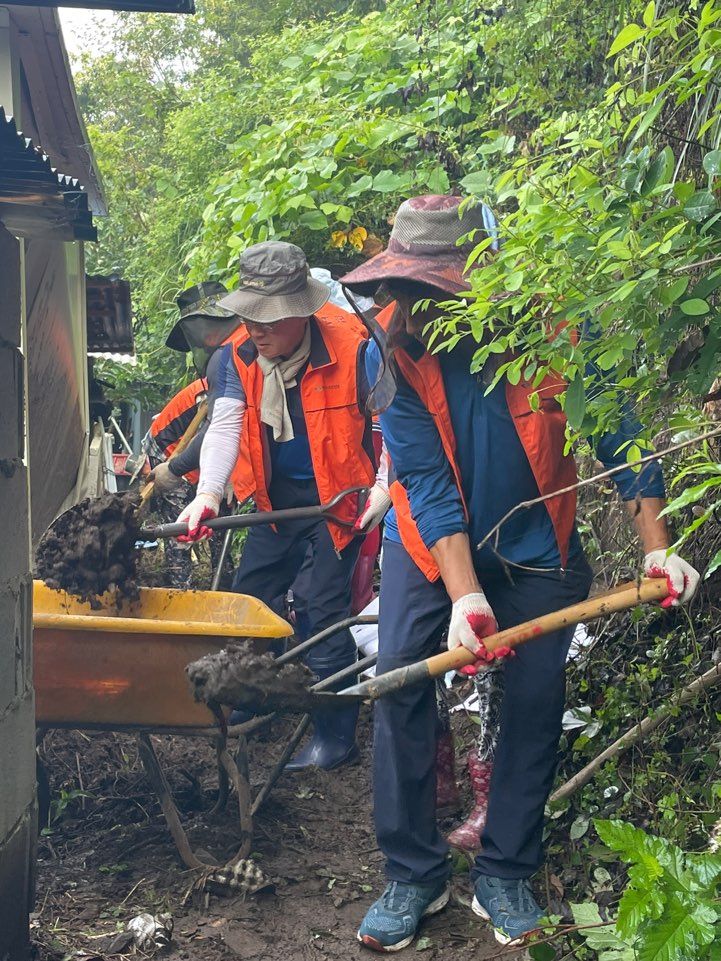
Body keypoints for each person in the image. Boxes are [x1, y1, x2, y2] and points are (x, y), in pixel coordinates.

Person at [340, 194, 701, 950]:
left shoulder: (556, 331)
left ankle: (504, 866)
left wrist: (655, 547)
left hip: (539, 542)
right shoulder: (387, 349)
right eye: (405, 285)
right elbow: (428, 484)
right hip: (426, 547)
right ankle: (412, 871)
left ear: (481, 275)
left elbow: (620, 436)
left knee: (535, 698)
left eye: (432, 284)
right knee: (404, 680)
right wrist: (465, 594)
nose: (414, 302)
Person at [176, 240, 378, 770]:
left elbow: (392, 425)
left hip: (338, 506)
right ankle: (247, 706)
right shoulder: (238, 354)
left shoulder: (356, 345)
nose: (258, 328)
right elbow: (226, 423)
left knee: (319, 610)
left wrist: (384, 487)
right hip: (273, 504)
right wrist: (207, 496)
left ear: (302, 310)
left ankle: (335, 736)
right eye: (250, 316)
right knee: (250, 601)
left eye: (269, 318)